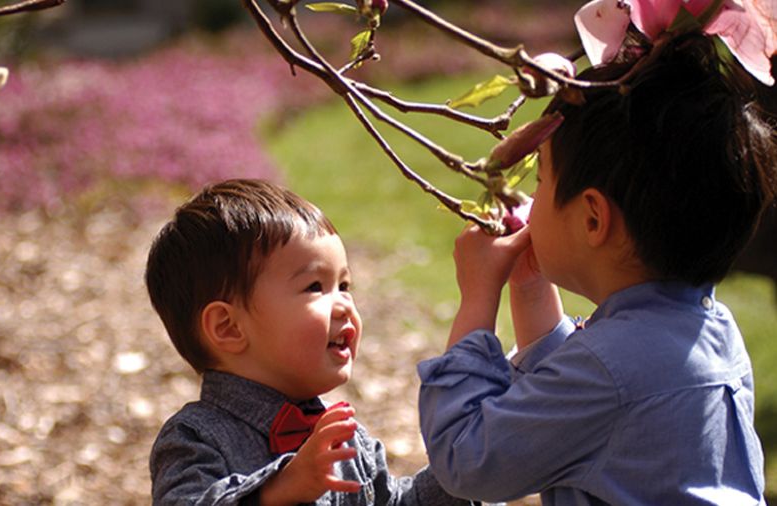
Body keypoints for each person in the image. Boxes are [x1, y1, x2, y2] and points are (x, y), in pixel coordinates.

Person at [418, 32, 775, 505]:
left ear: (592, 217)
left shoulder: (612, 370)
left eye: (543, 178)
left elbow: (467, 460)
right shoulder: (710, 331)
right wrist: (530, 286)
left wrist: (478, 295)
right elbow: (571, 402)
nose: (534, 194)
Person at [145, 179, 472, 505]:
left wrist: (464, 471)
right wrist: (277, 490)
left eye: (344, 285)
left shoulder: (346, 436)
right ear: (229, 327)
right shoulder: (197, 438)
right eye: (315, 286)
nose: (345, 304)